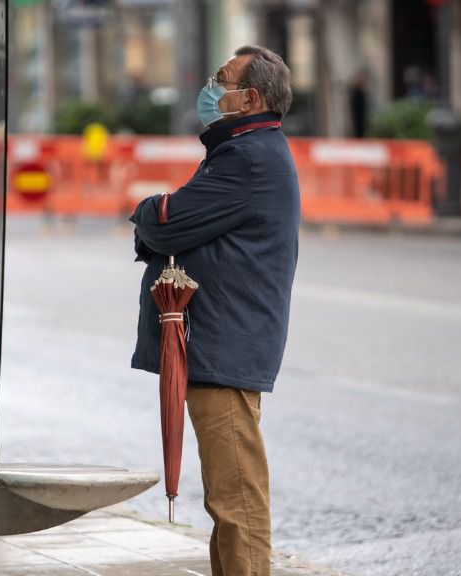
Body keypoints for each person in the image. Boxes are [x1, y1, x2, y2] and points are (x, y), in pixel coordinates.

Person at [129, 45, 300, 576]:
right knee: (226, 501)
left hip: (224, 346)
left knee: (237, 500)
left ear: (249, 98)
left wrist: (144, 212)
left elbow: (166, 220)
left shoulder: (249, 158)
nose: (209, 88)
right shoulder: (244, 150)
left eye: (220, 80)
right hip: (223, 343)